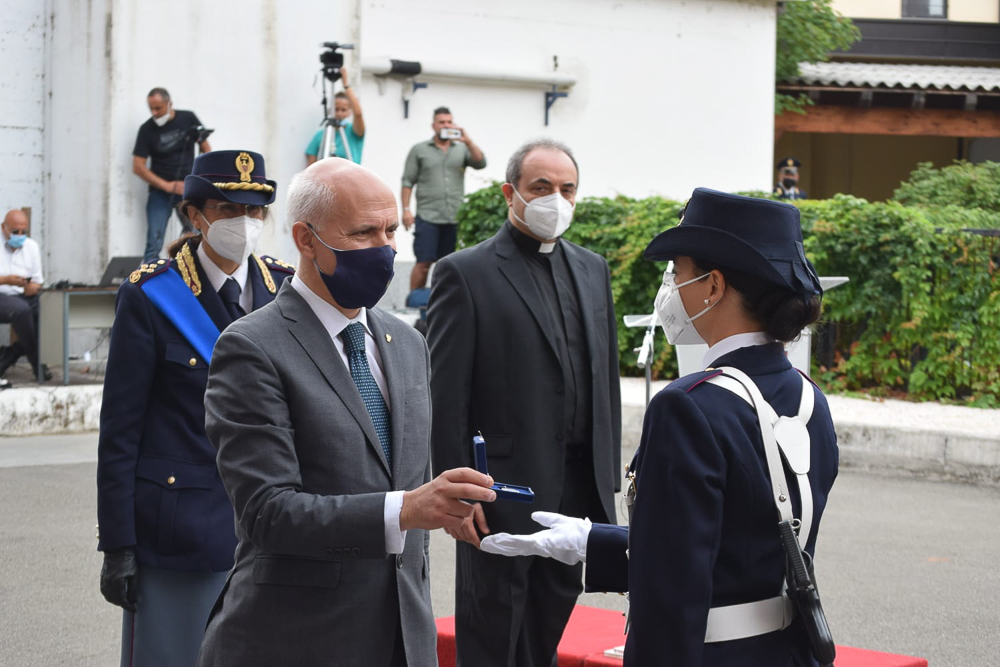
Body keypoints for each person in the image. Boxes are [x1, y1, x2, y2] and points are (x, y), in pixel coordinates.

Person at [482, 188, 839, 666]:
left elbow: (671, 594)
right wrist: (591, 541)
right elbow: (737, 545)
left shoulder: (689, 406)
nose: (670, 288)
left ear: (713, 286)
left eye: (678, 273)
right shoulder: (807, 395)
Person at [195, 158, 497, 667]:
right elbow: (267, 512)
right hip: (296, 640)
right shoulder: (251, 347)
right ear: (305, 239)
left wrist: (448, 505)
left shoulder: (407, 342)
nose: (384, 248)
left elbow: (404, 477)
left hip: (403, 636)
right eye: (363, 233)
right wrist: (405, 508)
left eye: (391, 230)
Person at [426, 139, 622, 667]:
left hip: (578, 489)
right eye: (541, 187)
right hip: (499, 492)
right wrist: (455, 494)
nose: (555, 199)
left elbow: (605, 379)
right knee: (493, 633)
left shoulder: (592, 269)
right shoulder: (464, 273)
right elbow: (445, 397)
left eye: (566, 189)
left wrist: (609, 485)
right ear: (511, 192)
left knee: (549, 623)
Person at [96, 150, 294, 667]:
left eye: (255, 212)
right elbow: (121, 430)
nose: (244, 224)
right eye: (229, 210)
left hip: (277, 523)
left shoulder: (285, 288)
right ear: (195, 214)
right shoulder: (153, 295)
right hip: (180, 530)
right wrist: (118, 544)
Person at [401, 106, 486, 292]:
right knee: (423, 263)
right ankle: (412, 304)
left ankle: (443, 304)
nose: (446, 125)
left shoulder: (462, 149)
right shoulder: (419, 150)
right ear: (434, 125)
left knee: (449, 265)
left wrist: (468, 140)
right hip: (428, 215)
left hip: (455, 216)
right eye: (442, 122)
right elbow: (407, 181)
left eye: (449, 122)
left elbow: (481, 163)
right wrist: (406, 210)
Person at [133, 87, 212, 263]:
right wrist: (167, 186)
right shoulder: (146, 130)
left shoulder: (188, 118)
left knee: (195, 235)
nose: (154, 113)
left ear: (170, 104)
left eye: (158, 108)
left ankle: (198, 275)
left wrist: (197, 181)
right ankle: (147, 284)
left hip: (187, 191)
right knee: (154, 238)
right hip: (160, 192)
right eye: (151, 108)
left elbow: (205, 148)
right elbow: (138, 166)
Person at [0, 209, 50, 382]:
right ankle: (38, 364)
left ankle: (12, 353)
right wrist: (6, 280)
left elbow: (38, 280)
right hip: (2, 295)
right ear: (3, 228)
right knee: (22, 310)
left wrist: (32, 287)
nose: (20, 235)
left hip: (24, 295)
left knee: (51, 309)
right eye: (15, 232)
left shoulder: (31, 246)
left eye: (24, 232)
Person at [305, 67, 366, 165]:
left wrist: (346, 84)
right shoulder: (321, 135)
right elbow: (310, 166)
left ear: (349, 112)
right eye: (336, 109)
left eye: (343, 110)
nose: (339, 113)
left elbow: (358, 114)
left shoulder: (353, 132)